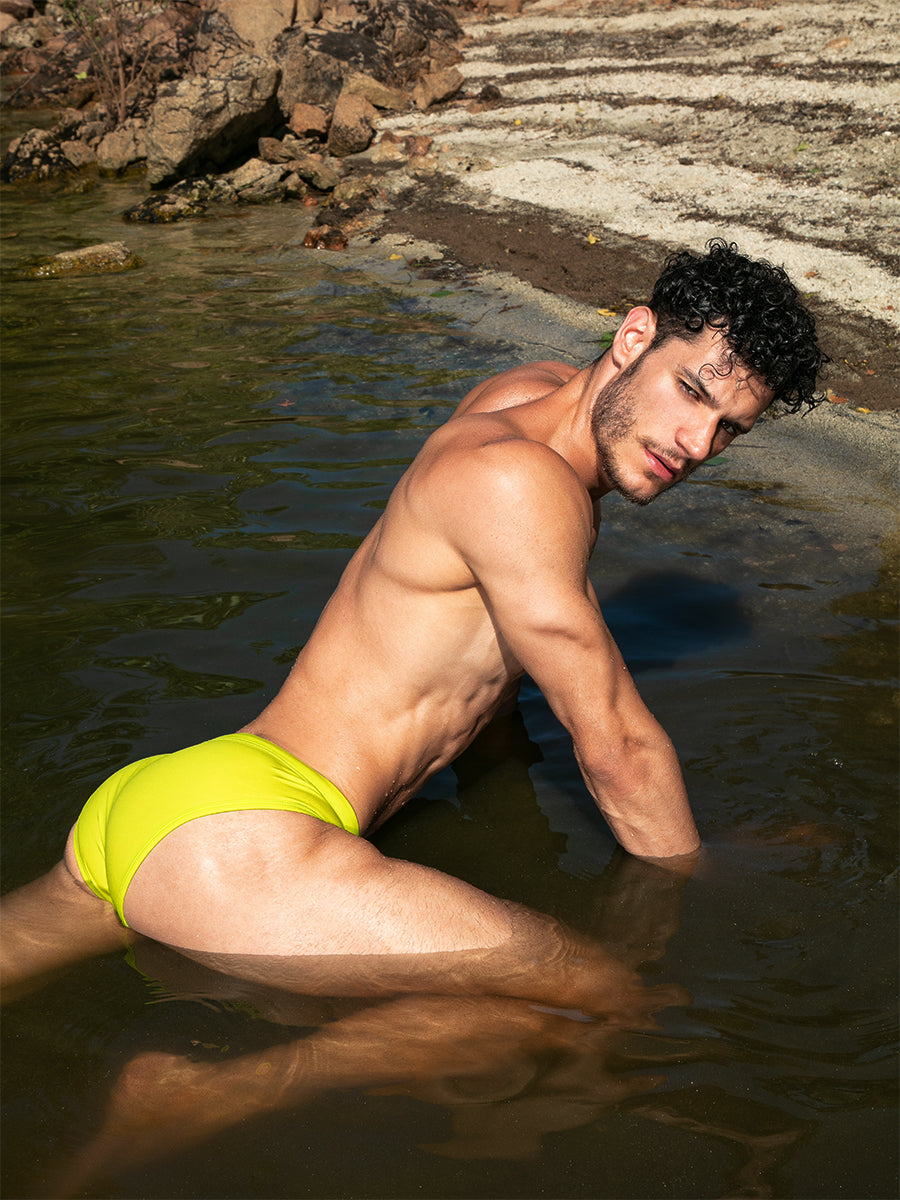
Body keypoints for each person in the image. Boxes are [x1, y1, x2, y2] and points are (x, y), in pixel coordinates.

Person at [0, 239, 826, 994]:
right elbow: (616, 744)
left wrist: (511, 795)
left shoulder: (525, 398)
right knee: (595, 995)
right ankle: (211, 1088)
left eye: (727, 430)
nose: (695, 443)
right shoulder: (523, 486)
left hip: (166, 803)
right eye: (690, 391)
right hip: (246, 836)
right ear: (633, 336)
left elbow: (487, 669)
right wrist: (695, 879)